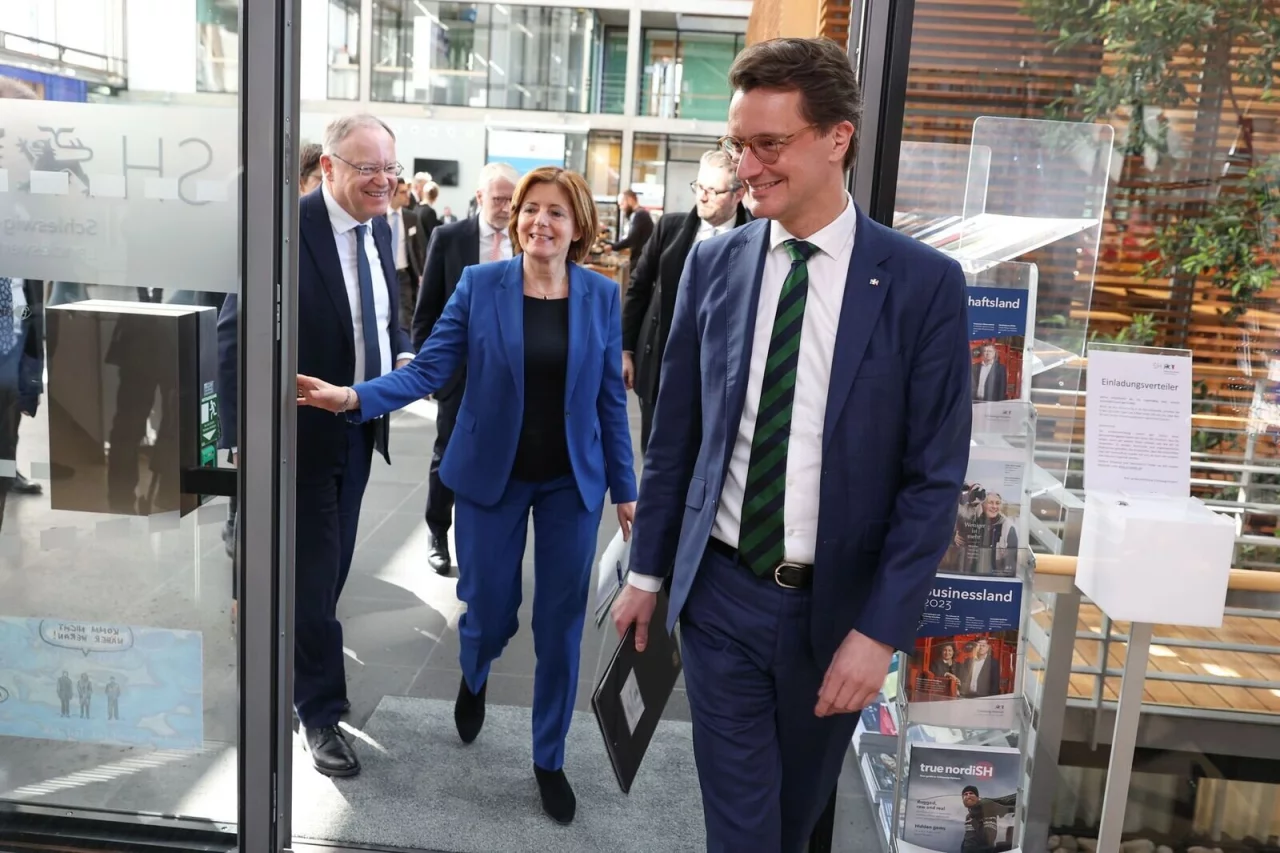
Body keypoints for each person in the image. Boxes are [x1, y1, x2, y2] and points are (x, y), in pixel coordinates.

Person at [611, 37, 971, 852]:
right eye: (739, 144)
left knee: (794, 822)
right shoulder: (713, 266)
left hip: (837, 616)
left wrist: (878, 633)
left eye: (769, 144)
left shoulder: (922, 286)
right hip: (721, 601)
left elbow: (932, 480)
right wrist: (646, 573)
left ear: (838, 137)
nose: (747, 165)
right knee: (743, 830)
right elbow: (676, 438)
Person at [298, 166, 637, 826]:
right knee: (489, 609)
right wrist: (354, 398)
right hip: (490, 475)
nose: (540, 221)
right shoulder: (481, 285)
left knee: (561, 623)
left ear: (578, 226)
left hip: (571, 481)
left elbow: (607, 400)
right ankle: (475, 669)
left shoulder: (600, 294)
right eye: (531, 209)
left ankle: (548, 757)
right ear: (516, 218)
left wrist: (627, 489)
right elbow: (429, 368)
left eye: (556, 212)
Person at [218, 114, 415, 778]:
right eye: (368, 168)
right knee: (312, 579)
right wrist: (242, 445)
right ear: (327, 168)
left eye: (390, 168)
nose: (383, 181)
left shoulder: (378, 226)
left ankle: (290, 670)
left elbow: (379, 316)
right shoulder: (283, 229)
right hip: (297, 436)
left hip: (357, 429)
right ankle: (319, 710)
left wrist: (396, 361)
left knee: (328, 574)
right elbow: (232, 336)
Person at [410, 161, 519, 574]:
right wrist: (430, 371)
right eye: (499, 199)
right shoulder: (450, 237)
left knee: (504, 455)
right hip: (460, 373)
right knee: (449, 453)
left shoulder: (525, 239)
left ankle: (489, 539)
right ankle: (438, 531)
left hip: (511, 375)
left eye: (512, 200)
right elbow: (426, 311)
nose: (506, 208)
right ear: (479, 197)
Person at [621, 150, 751, 451]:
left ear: (738, 194)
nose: (702, 197)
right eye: (699, 187)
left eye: (713, 191)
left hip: (721, 374)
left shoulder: (756, 236)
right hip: (661, 364)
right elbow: (638, 288)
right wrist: (625, 349)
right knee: (655, 452)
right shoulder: (669, 228)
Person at [604, 189, 653, 256]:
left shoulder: (640, 215)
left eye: (622, 204)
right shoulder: (639, 214)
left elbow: (631, 239)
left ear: (630, 200)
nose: (621, 208)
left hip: (640, 258)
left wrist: (612, 247)